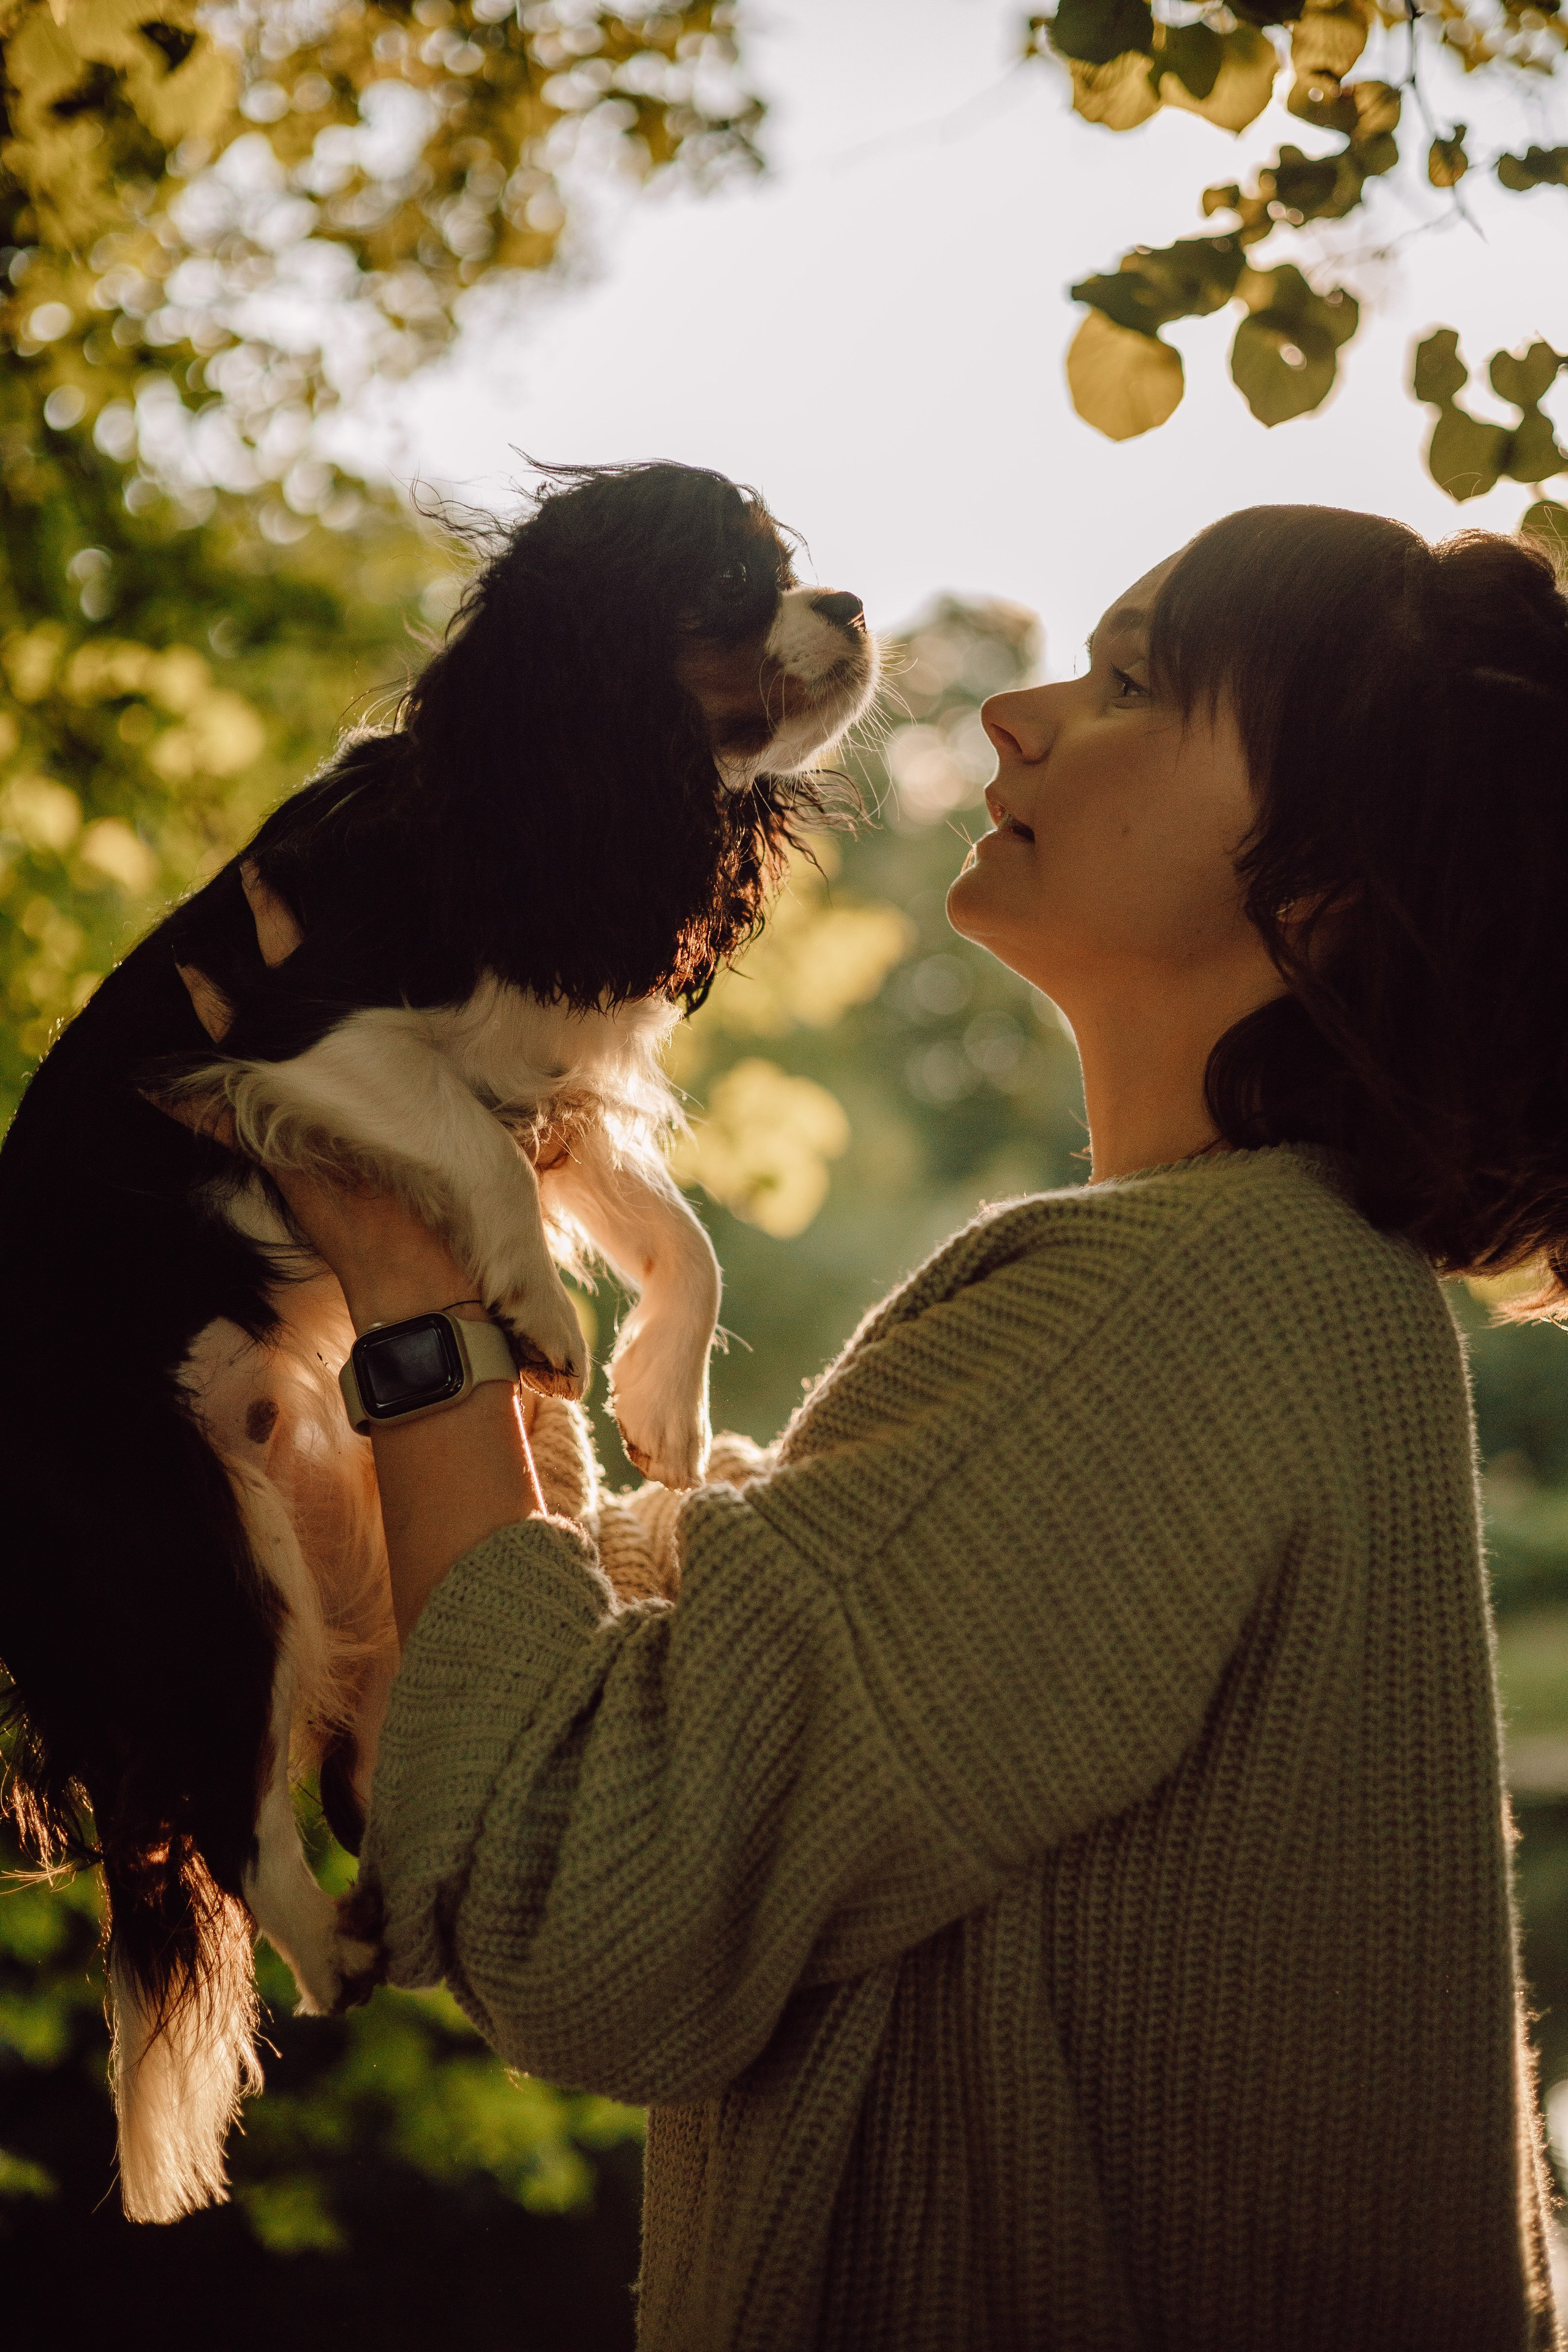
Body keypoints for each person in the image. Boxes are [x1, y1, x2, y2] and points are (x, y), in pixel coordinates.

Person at [276, 505, 1566, 2350]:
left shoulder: (1192, 1306)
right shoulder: (1275, 1294)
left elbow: (578, 1902)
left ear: (1338, 881)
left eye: (1137, 683)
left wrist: (416, 1311)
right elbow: (682, 1704)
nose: (1024, 716)